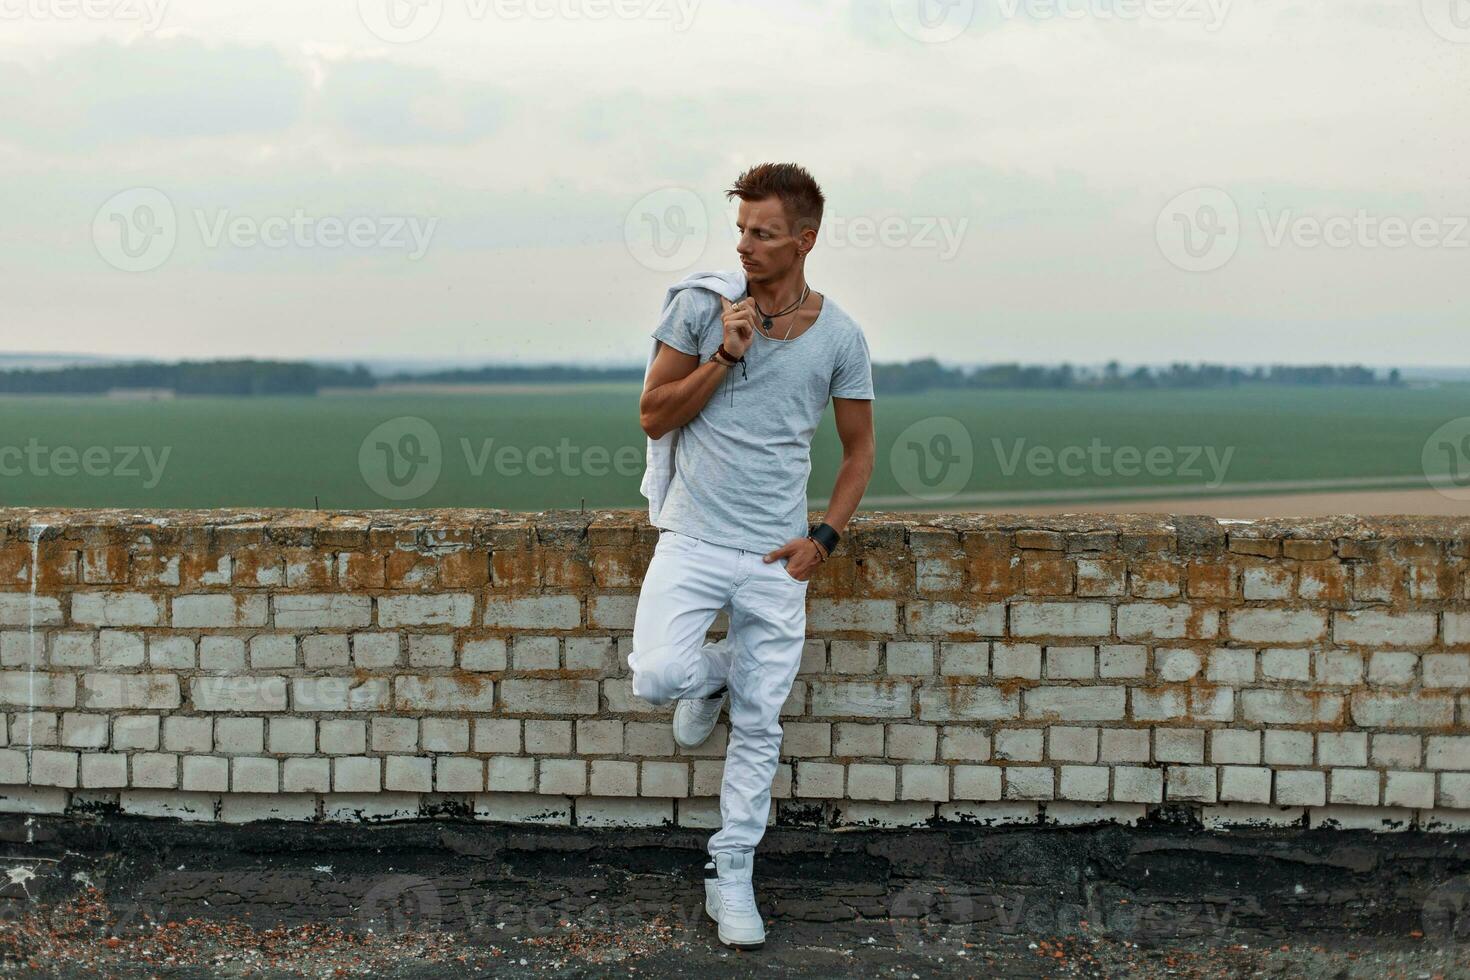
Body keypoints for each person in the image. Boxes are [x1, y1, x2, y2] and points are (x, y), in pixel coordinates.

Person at [631, 162, 876, 948]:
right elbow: (652, 417)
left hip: (777, 557)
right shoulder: (703, 307)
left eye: (763, 234)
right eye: (740, 230)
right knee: (658, 676)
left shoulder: (840, 337)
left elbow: (860, 448)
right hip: (695, 539)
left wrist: (824, 538)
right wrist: (724, 356)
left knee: (761, 726)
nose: (745, 246)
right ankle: (717, 674)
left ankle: (730, 873)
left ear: (803, 240)